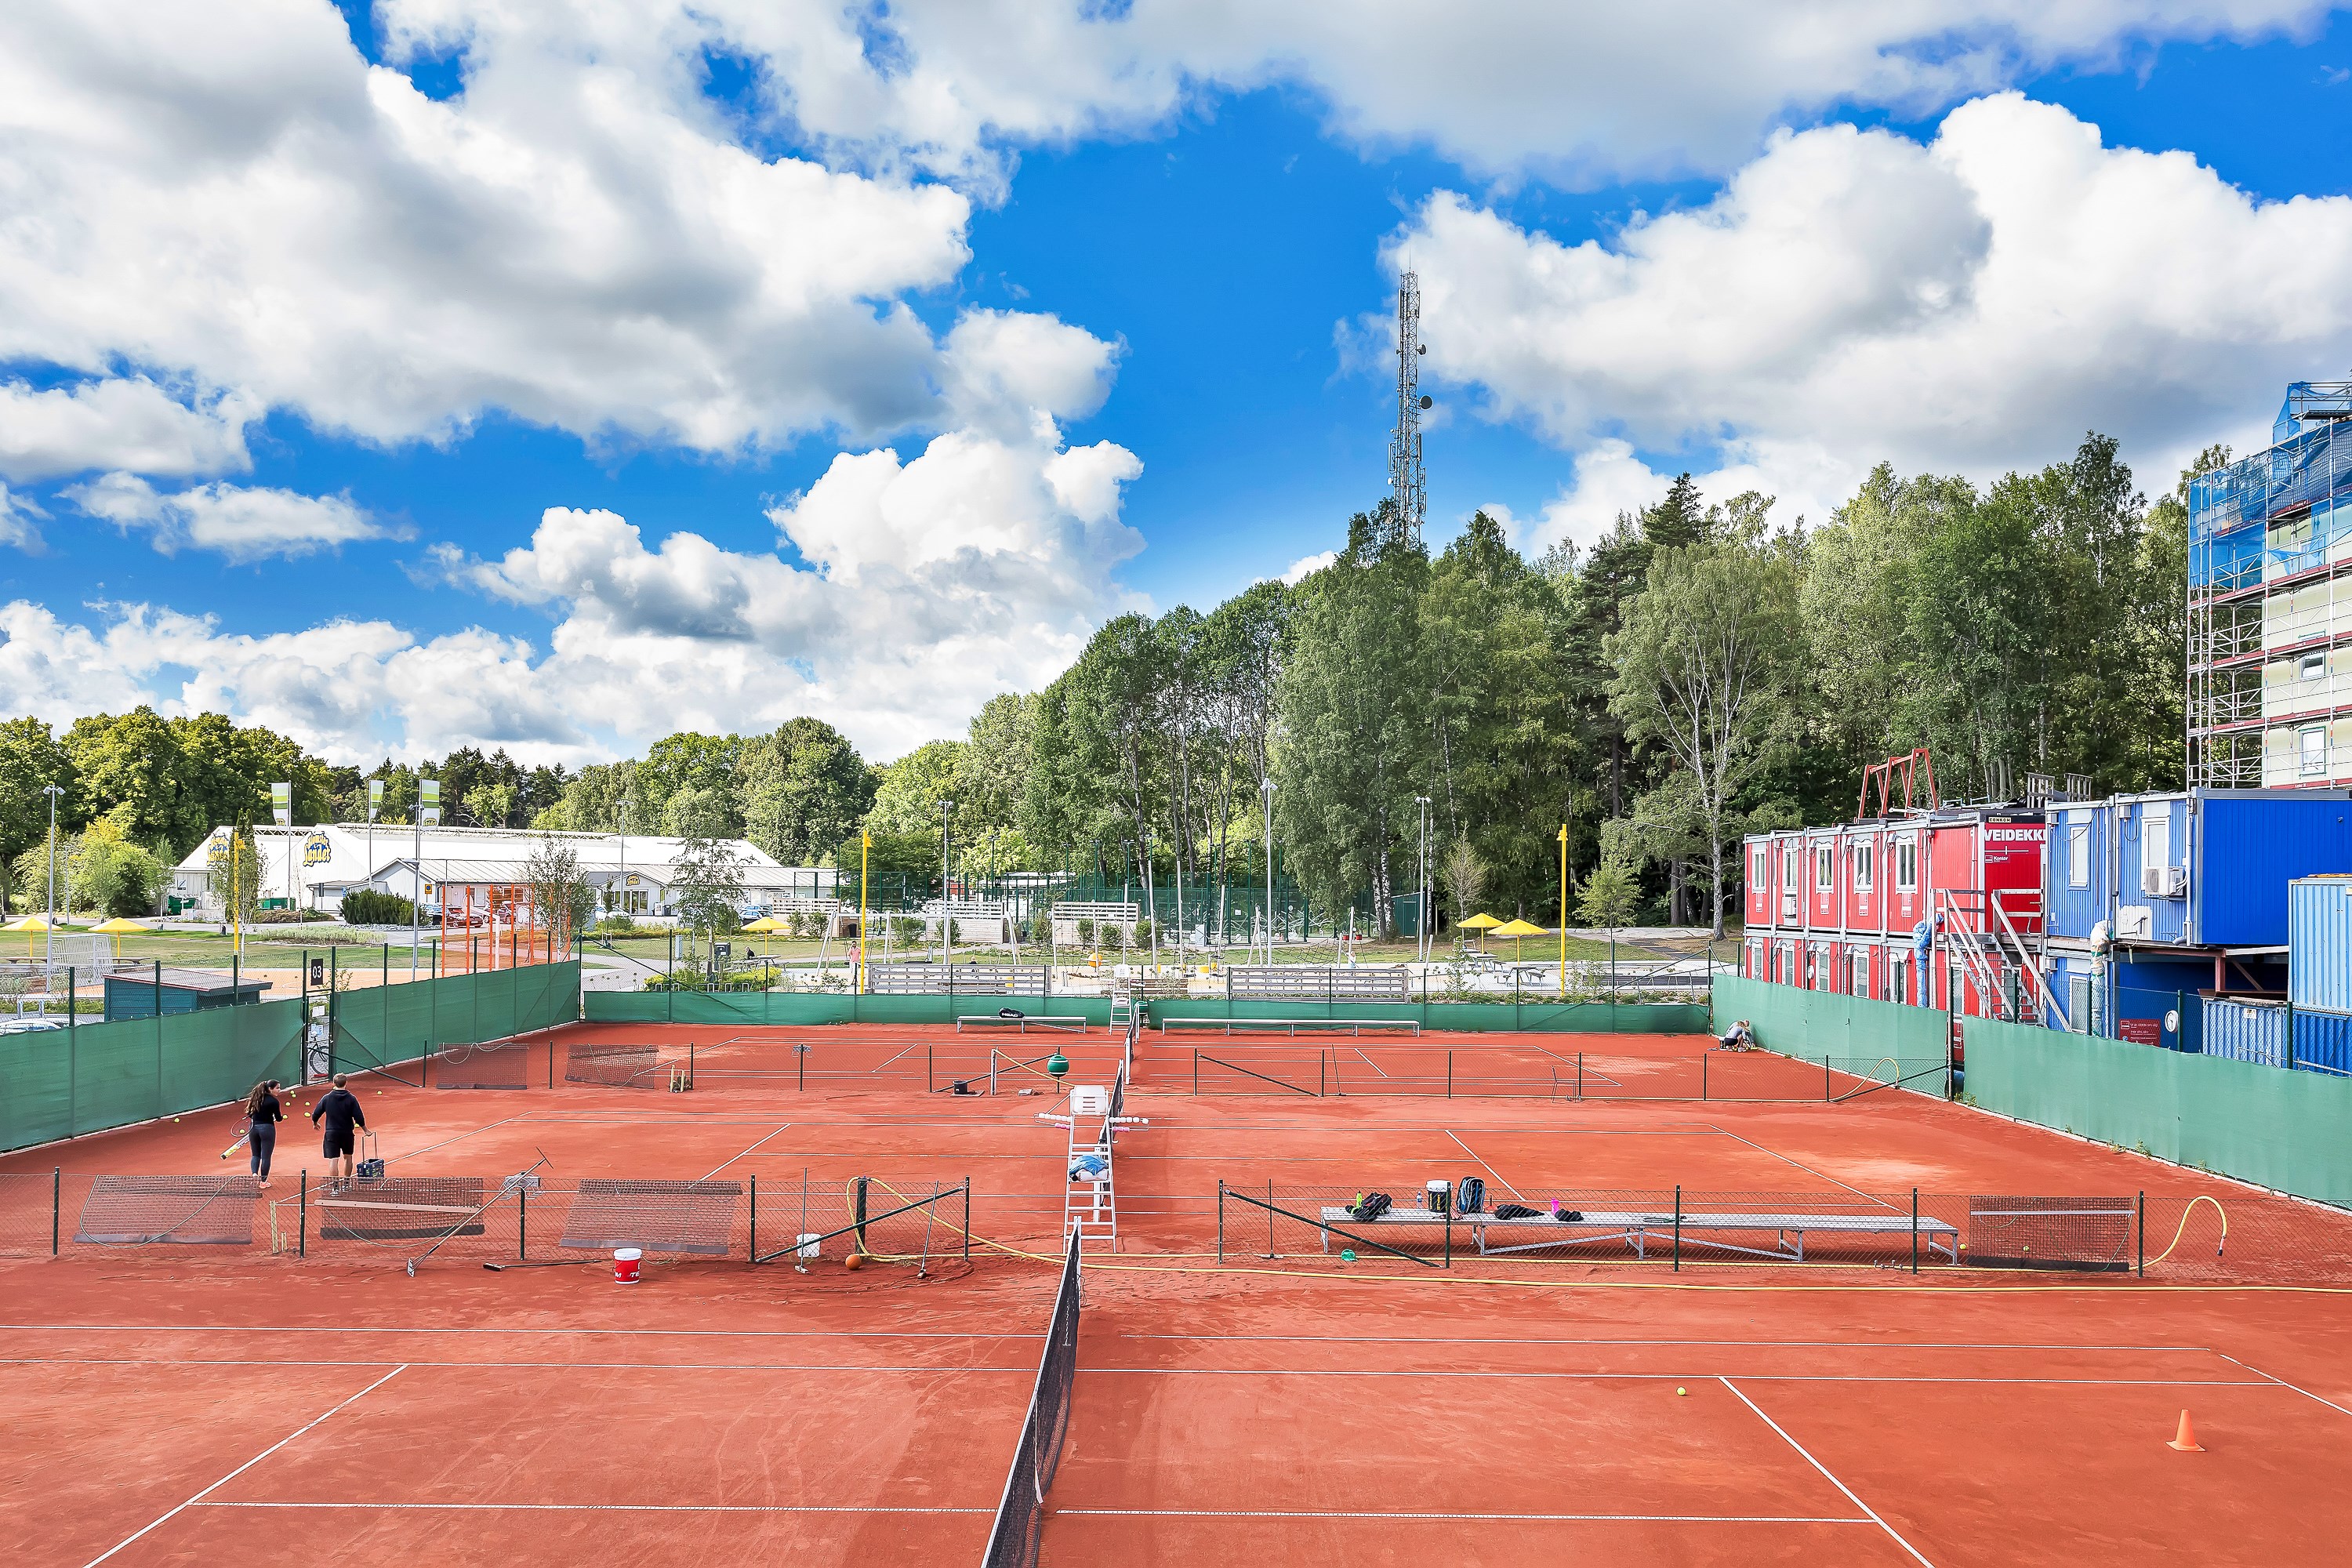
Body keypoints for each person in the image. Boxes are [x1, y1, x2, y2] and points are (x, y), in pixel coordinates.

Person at [310, 1073, 368, 1185]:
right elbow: (359, 1117)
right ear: (346, 1083)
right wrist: (365, 1129)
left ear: (333, 1083)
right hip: (347, 1133)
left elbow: (315, 1114)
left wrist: (315, 1123)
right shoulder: (351, 1098)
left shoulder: (326, 1098)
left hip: (331, 1133)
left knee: (334, 1159)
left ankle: (335, 1187)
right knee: (348, 1157)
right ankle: (346, 1184)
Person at [242, 1079, 285, 1189]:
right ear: (270, 1089)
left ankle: (254, 1175)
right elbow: (279, 1118)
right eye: (277, 1088)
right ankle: (263, 1182)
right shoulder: (274, 1102)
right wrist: (277, 1117)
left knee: (256, 1155)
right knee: (266, 1157)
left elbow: (250, 1115)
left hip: (253, 1129)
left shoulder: (255, 1099)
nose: (279, 1090)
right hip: (267, 1129)